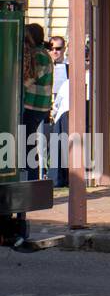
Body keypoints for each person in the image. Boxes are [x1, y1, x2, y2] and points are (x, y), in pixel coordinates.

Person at [21, 24, 53, 183]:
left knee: (27, 146)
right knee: (27, 144)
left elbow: (29, 79)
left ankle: (31, 183)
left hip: (34, 107)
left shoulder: (39, 55)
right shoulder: (39, 53)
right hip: (36, 107)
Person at [47, 37, 69, 187]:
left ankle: (60, 177)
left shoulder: (69, 67)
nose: (55, 51)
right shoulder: (45, 64)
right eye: (52, 48)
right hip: (44, 105)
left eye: (58, 48)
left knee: (60, 142)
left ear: (64, 49)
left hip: (60, 109)